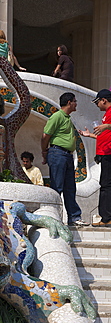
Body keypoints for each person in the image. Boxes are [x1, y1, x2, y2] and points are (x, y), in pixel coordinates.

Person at [41, 92, 89, 227]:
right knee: (57, 186)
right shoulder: (57, 116)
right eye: (75, 101)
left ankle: (74, 217)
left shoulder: (67, 118)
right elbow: (45, 136)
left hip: (66, 155)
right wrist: (45, 151)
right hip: (57, 153)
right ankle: (54, 216)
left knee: (70, 187)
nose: (76, 104)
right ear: (69, 103)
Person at [79, 89, 111, 227]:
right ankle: (106, 216)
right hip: (104, 154)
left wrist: (108, 125)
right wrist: (90, 135)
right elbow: (104, 136)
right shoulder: (106, 115)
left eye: (98, 102)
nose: (97, 105)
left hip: (109, 154)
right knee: (105, 185)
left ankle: (106, 217)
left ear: (104, 100)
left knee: (106, 186)